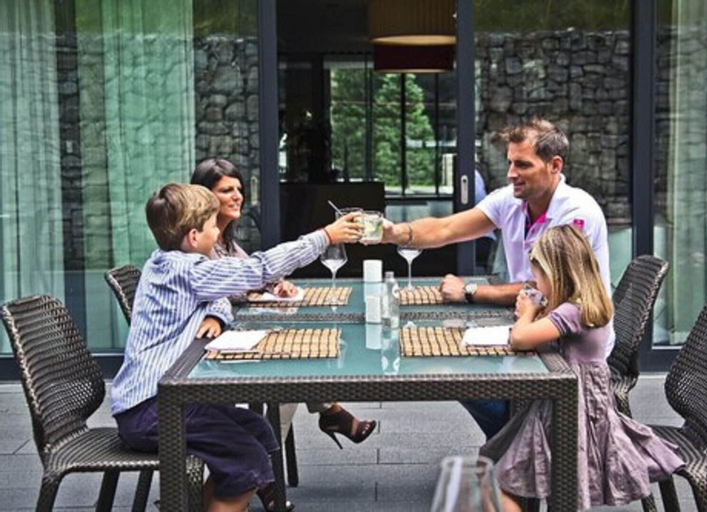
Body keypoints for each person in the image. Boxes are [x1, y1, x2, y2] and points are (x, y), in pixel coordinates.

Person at [110, 183, 363, 512]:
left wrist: (215, 313)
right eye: (213, 226)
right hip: (155, 410)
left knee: (257, 429)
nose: (218, 232)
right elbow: (259, 269)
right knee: (247, 460)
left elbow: (219, 296)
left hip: (155, 403)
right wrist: (324, 236)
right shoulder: (186, 269)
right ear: (193, 237)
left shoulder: (166, 263)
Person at [381, 118, 614, 438]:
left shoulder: (576, 212)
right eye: (510, 163)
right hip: (531, 325)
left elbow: (550, 287)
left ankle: (519, 442)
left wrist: (471, 291)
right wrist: (395, 233)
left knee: (463, 376)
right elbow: (447, 228)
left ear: (554, 165)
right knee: (456, 360)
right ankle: (518, 443)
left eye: (523, 164)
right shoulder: (511, 200)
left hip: (567, 348)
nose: (511, 173)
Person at [481, 225, 683, 512]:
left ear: (557, 275)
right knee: (515, 473)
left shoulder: (571, 311)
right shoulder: (584, 304)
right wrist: (537, 312)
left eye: (539, 277)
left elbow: (520, 338)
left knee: (493, 479)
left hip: (568, 409)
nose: (536, 284)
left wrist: (527, 312)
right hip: (583, 404)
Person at [192, 158, 377, 448]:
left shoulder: (224, 239)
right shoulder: (196, 244)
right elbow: (239, 278)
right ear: (205, 197)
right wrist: (325, 236)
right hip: (209, 353)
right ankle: (269, 450)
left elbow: (250, 273)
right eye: (226, 190)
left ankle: (322, 416)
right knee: (294, 364)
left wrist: (274, 285)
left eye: (239, 189)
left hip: (234, 334)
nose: (237, 196)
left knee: (305, 350)